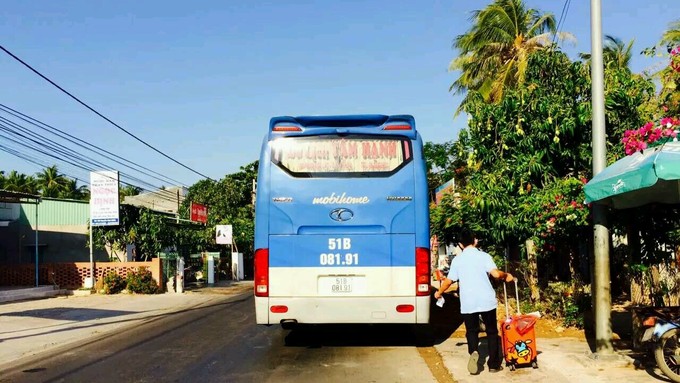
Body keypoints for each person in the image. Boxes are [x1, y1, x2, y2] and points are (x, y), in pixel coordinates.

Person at [434, 228, 514, 375]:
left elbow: (448, 281)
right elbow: (495, 274)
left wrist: (439, 293)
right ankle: (494, 365)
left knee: (471, 331)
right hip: (486, 300)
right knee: (491, 331)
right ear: (475, 240)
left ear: (460, 244)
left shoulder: (458, 260)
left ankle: (474, 352)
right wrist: (506, 275)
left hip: (468, 302)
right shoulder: (484, 256)